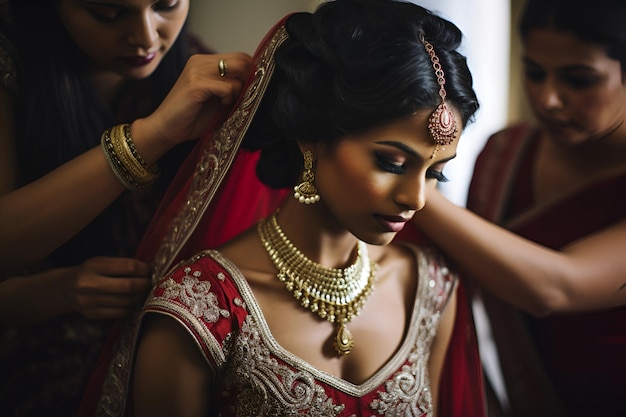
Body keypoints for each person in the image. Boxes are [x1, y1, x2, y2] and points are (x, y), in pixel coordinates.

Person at [78, 1, 486, 416]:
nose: (416, 198)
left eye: (436, 172)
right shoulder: (201, 310)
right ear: (311, 137)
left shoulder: (429, 288)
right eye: (391, 163)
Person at [0, 0, 252, 415]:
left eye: (167, 5)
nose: (147, 38)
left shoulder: (194, 68)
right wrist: (153, 135)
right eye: (108, 13)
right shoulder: (13, 62)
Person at [408, 0, 626, 415]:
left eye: (579, 79)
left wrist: (399, 177)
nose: (549, 100)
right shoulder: (505, 152)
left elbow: (555, 288)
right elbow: (467, 282)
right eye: (534, 72)